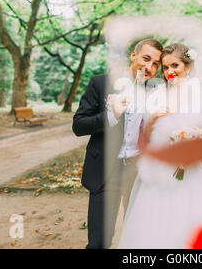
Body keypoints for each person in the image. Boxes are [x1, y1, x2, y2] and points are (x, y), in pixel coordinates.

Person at [118, 43, 202, 249]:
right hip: (158, 173)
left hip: (192, 172)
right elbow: (144, 138)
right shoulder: (154, 97)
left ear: (187, 66)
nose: (170, 71)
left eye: (175, 65)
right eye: (165, 67)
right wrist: (153, 118)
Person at [72, 38, 163, 249]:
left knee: (138, 239)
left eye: (155, 64)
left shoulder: (156, 92)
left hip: (138, 173)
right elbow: (79, 125)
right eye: (146, 59)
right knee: (99, 243)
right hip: (105, 172)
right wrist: (110, 114)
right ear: (134, 55)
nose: (149, 67)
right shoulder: (101, 83)